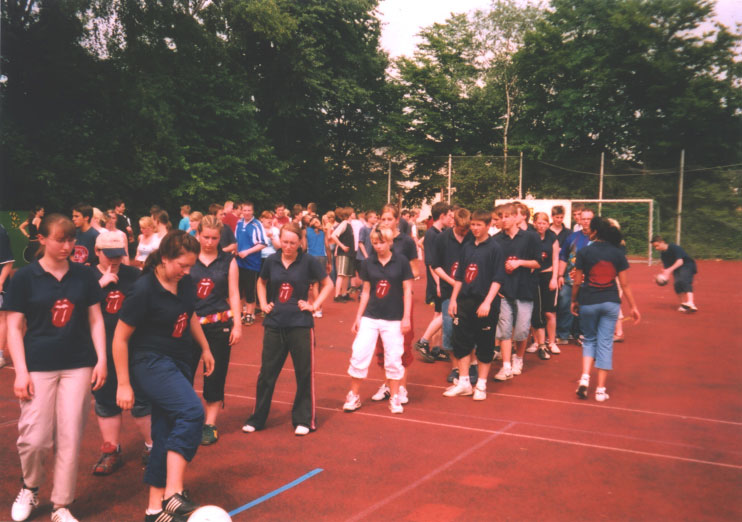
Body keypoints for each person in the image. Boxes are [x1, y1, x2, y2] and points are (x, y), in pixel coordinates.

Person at [5, 213, 107, 522]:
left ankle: (61, 505)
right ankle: (30, 486)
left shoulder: (84, 275)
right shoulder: (24, 278)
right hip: (38, 365)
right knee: (35, 437)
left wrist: (102, 359)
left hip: (78, 364)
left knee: (70, 435)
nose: (68, 245)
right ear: (42, 239)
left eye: (71, 239)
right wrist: (20, 371)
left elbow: (95, 319)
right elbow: (14, 326)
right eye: (61, 239)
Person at [113, 230, 215, 522]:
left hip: (180, 361)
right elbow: (120, 338)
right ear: (165, 258)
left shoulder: (185, 284)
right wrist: (123, 383)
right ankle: (172, 493)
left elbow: (190, 315)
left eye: (190, 266)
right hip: (150, 362)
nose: (187, 271)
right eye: (182, 265)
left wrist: (205, 347)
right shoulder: (144, 290)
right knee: (192, 412)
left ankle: (154, 510)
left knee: (164, 433)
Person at [242, 223, 333, 436]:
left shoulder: (308, 261)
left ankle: (303, 419)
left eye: (293, 243)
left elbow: (327, 284)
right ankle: (257, 418)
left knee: (303, 373)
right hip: (274, 324)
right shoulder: (272, 260)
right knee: (266, 374)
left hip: (300, 324)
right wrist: (263, 304)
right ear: (279, 240)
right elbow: (261, 282)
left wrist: (314, 305)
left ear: (300, 242)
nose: (289, 246)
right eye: (285, 242)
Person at [91, 231, 152, 476]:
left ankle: (151, 446)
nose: (114, 261)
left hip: (134, 348)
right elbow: (75, 306)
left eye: (118, 255)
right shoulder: (87, 277)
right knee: (106, 401)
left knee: (142, 399)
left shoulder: (134, 275)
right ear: (97, 252)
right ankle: (111, 450)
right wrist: (99, 286)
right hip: (101, 349)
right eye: (108, 256)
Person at [343, 226, 412, 414]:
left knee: (394, 358)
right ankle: (353, 395)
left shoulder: (401, 261)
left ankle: (395, 396)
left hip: (394, 318)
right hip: (371, 316)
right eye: (375, 243)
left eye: (382, 242)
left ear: (390, 242)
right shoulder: (368, 263)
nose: (378, 246)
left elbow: (407, 290)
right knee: (359, 354)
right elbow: (365, 292)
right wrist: (358, 317)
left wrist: (406, 317)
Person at [572, 217, 640, 401]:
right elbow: (625, 285)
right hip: (610, 302)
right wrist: (633, 307)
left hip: (588, 301)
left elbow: (577, 281)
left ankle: (585, 378)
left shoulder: (584, 252)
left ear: (594, 232)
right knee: (605, 343)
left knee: (589, 340)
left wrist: (573, 300)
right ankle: (600, 390)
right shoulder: (618, 253)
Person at [443, 209, 505, 400]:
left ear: (488, 226)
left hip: (485, 303)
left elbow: (498, 279)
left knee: (485, 345)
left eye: (479, 225)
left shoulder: (495, 248)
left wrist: (487, 302)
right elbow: (460, 276)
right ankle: (464, 383)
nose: (475, 228)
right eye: (473, 225)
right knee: (461, 342)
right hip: (465, 301)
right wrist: (453, 300)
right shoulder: (467, 247)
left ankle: (481, 385)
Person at [192, 216, 242, 445]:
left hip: (219, 324)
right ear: (198, 235)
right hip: (190, 325)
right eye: (205, 237)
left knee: (215, 374)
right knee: (183, 372)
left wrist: (238, 325)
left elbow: (233, 293)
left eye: (214, 238)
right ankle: (185, 417)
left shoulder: (228, 261)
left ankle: (210, 424)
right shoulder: (188, 257)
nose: (209, 242)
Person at [369, 204, 420, 404]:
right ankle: (388, 385)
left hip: (399, 298)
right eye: (383, 219)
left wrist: (396, 277)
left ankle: (402, 388)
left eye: (390, 219)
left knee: (401, 345)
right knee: (382, 345)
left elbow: (415, 271)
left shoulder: (406, 242)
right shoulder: (376, 238)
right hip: (381, 298)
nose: (386, 222)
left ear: (397, 220)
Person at [432, 207, 473, 383]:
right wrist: (451, 281)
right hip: (449, 290)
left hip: (470, 292)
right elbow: (435, 265)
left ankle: (470, 365)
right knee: (449, 329)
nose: (465, 232)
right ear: (453, 223)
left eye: (467, 229)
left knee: (468, 330)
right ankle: (455, 367)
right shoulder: (441, 239)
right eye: (461, 229)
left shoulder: (472, 237)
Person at [415, 202, 453, 362]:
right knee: (444, 314)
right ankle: (424, 341)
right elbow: (431, 263)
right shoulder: (432, 234)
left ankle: (436, 347)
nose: (452, 218)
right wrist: (438, 283)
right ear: (442, 215)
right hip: (437, 281)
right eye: (450, 215)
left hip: (439, 280)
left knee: (439, 313)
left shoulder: (439, 232)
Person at [556, 208, 594, 344]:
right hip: (570, 279)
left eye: (589, 219)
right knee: (564, 303)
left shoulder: (599, 238)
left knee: (586, 308)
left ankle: (582, 334)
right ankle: (563, 334)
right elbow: (563, 256)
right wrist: (560, 275)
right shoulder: (573, 237)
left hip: (591, 281)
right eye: (584, 219)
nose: (586, 221)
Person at [529, 212, 560, 358]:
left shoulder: (552, 237)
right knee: (535, 310)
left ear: (548, 224)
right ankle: (536, 341)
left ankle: (552, 342)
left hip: (547, 275)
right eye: (539, 223)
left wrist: (554, 277)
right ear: (534, 223)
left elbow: (555, 259)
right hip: (534, 275)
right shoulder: (530, 236)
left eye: (544, 223)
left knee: (549, 312)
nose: (541, 226)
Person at [235, 201, 266, 326]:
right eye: (245, 210)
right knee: (238, 289)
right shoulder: (239, 223)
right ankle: (239, 313)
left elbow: (263, 243)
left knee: (249, 289)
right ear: (241, 211)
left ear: (252, 211)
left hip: (251, 262)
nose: (246, 213)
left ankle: (250, 314)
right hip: (238, 261)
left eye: (249, 210)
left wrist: (247, 252)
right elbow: (236, 240)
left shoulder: (257, 224)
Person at [651, 235, 698, 312]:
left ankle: (691, 303)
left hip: (687, 265)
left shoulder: (674, 247)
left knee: (684, 280)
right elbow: (666, 269)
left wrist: (669, 270)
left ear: (662, 242)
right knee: (677, 284)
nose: (656, 248)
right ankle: (683, 305)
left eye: (657, 246)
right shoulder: (663, 255)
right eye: (655, 247)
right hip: (677, 268)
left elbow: (680, 261)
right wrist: (662, 278)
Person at [306, 216, 330, 318]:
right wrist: (330, 261)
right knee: (321, 284)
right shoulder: (323, 231)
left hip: (312, 257)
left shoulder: (306, 231)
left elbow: (304, 245)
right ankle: (318, 307)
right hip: (322, 257)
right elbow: (327, 246)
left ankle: (317, 308)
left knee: (315, 284)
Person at [331, 207, 355, 302]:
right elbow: (334, 235)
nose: (354, 214)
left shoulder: (349, 224)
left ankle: (344, 294)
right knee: (341, 274)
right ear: (349, 214)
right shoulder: (344, 223)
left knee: (346, 275)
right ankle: (337, 295)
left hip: (349, 253)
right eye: (353, 212)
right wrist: (342, 246)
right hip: (343, 253)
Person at [0, 222, 15, 368]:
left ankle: (0, 355)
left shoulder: (0, 231)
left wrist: (0, 282)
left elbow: (8, 262)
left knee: (1, 318)